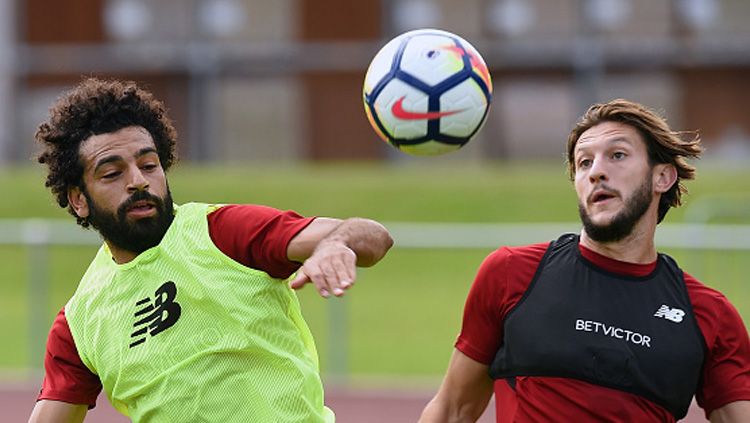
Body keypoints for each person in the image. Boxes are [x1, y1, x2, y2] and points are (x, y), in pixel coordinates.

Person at [28, 77, 393, 423]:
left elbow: (373, 237)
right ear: (79, 200)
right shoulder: (79, 323)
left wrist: (334, 243)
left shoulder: (223, 233)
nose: (138, 181)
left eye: (148, 165)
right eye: (112, 173)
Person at [419, 99, 750, 422]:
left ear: (662, 177)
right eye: (584, 163)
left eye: (617, 155)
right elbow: (452, 410)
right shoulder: (511, 273)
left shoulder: (710, 315)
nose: (597, 173)